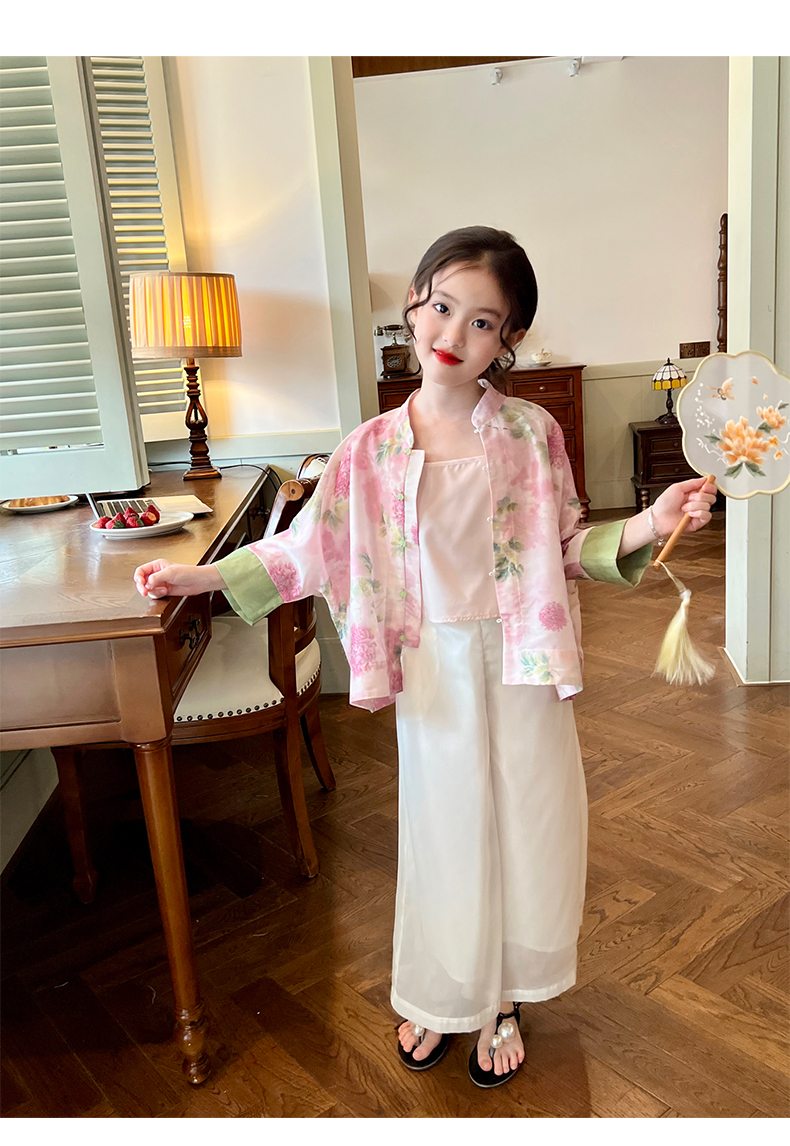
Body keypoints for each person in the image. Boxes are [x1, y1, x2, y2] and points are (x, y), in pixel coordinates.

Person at [134, 226, 716, 1089]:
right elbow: (311, 547)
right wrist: (202, 576)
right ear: (414, 304)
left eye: (483, 322)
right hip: (430, 664)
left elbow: (566, 548)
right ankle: (446, 991)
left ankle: (504, 994)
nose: (453, 334)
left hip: (522, 658)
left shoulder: (532, 432)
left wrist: (653, 522)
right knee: (445, 831)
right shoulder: (368, 449)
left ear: (509, 337)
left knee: (530, 823)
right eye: (442, 307)